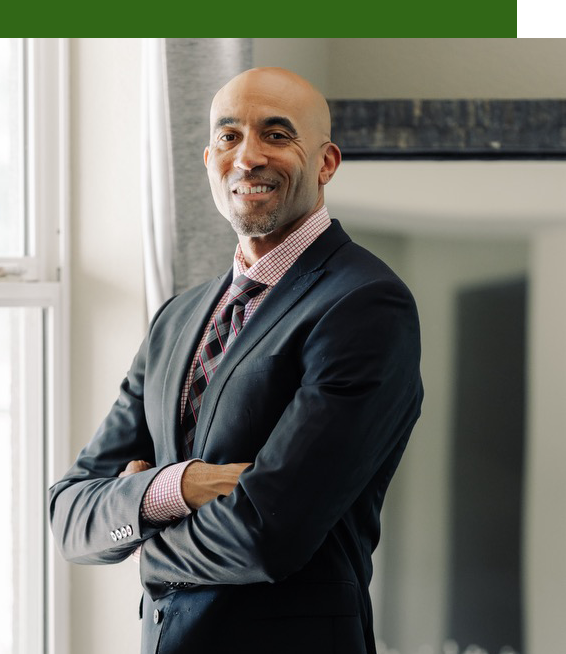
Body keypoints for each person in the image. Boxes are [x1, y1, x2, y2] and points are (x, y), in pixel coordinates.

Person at [49, 67, 424, 654]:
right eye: (229, 137)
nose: (247, 158)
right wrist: (178, 487)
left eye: (277, 135)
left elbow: (266, 535)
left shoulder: (365, 304)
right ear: (207, 159)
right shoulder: (177, 317)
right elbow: (70, 518)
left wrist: (143, 538)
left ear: (326, 163)